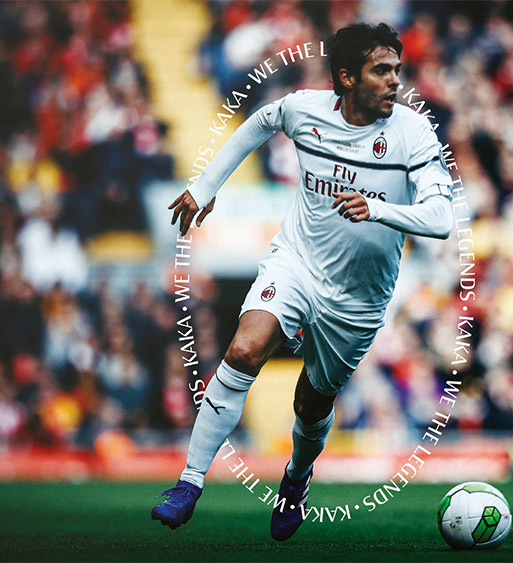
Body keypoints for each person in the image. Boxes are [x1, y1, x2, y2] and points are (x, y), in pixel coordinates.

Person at [152, 22, 453, 541]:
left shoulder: (413, 133)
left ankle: (296, 477)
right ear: (347, 77)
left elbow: (442, 218)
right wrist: (205, 185)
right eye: (381, 71)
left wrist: (378, 208)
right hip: (296, 263)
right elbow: (260, 121)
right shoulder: (305, 110)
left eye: (397, 71)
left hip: (359, 298)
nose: (394, 81)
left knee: (311, 404)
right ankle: (189, 482)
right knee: (244, 350)